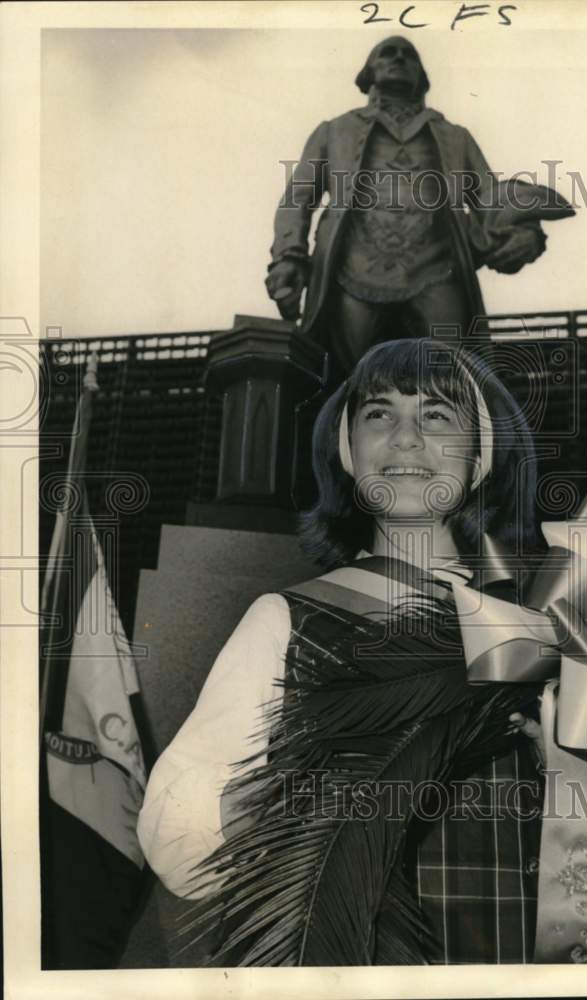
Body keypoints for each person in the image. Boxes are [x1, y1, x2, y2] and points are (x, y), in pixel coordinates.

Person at [137, 337, 549, 965]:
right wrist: (297, 792)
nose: (405, 438)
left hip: (517, 949)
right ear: (348, 451)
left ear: (482, 455)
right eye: (379, 413)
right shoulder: (287, 621)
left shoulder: (545, 623)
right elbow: (175, 836)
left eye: (437, 414)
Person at [265, 36, 553, 379]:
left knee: (450, 382)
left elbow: (492, 200)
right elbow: (298, 198)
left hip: (437, 273)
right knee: (350, 384)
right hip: (352, 275)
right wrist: (288, 256)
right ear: (368, 71)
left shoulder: (455, 137)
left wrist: (528, 234)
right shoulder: (334, 131)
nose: (399, 59)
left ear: (422, 75)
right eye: (388, 53)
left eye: (409, 55)